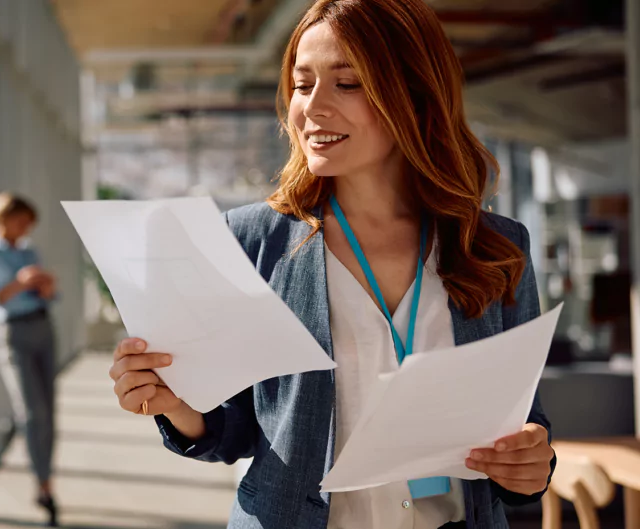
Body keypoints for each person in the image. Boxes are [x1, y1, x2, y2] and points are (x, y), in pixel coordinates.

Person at [108, 1, 555, 528]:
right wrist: (174, 403)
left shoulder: (496, 247)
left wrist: (532, 461)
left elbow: (526, 423)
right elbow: (234, 431)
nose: (313, 108)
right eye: (302, 84)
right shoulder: (253, 241)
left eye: (348, 84)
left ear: (414, 95)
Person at [0, 192, 60, 526]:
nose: (26, 228)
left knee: (49, 411)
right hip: (13, 333)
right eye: (21, 220)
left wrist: (47, 288)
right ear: (4, 218)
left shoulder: (28, 249)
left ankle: (46, 483)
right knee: (31, 411)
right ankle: (42, 481)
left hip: (42, 326)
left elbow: (50, 296)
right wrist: (18, 284)